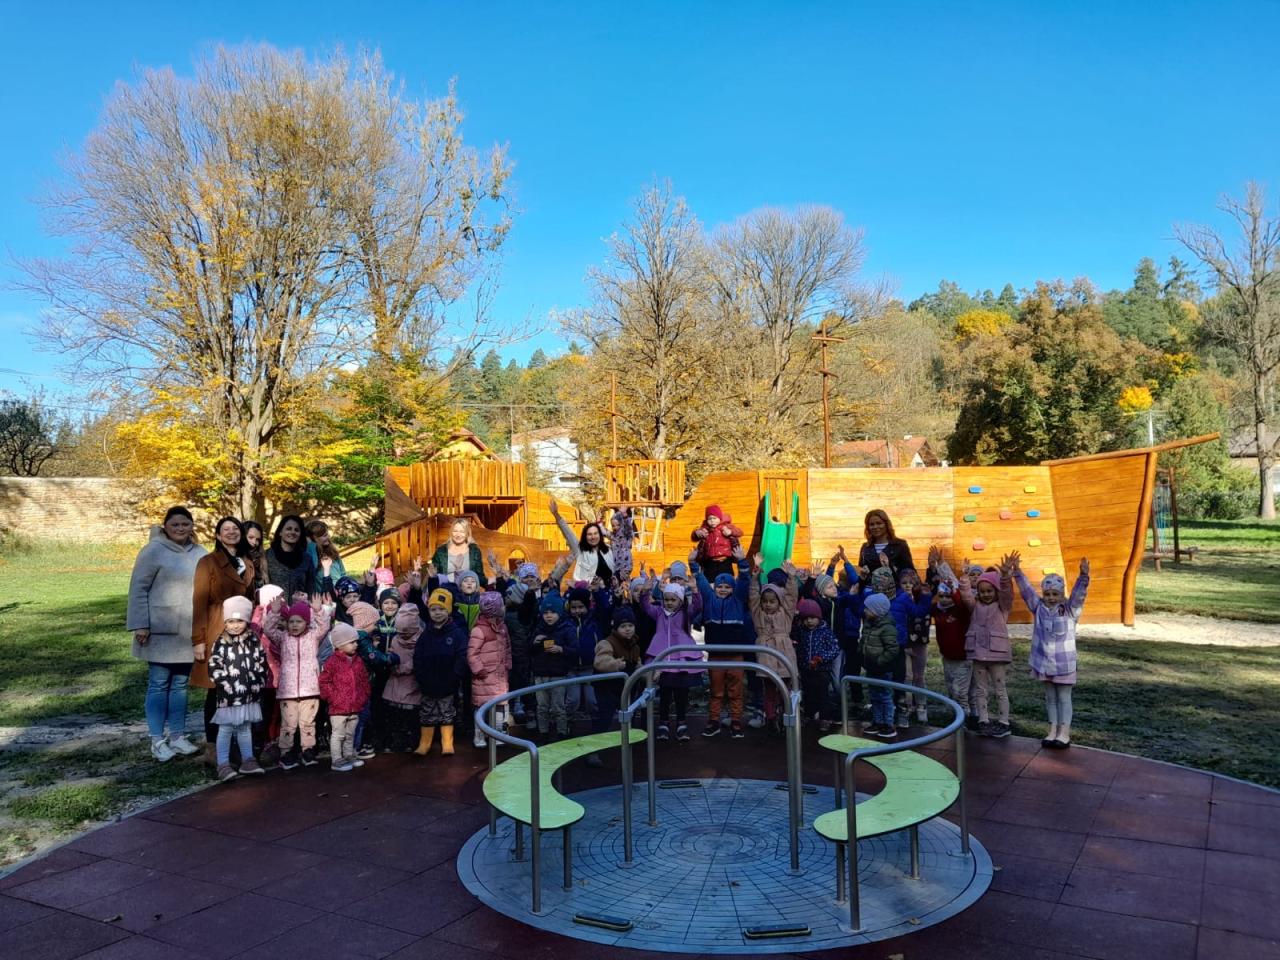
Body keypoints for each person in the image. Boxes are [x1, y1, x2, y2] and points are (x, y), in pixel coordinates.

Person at [126, 506, 207, 763]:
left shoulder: (200, 553)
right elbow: (138, 589)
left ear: (192, 526)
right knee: (159, 683)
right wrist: (140, 624)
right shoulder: (153, 551)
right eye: (175, 525)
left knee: (181, 685)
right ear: (166, 527)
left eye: (185, 524)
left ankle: (178, 736)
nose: (180, 529)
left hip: (188, 631)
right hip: (160, 630)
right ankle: (157, 739)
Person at [191, 516, 256, 756]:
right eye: (225, 529)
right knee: (216, 688)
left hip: (242, 630)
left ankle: (239, 742)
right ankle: (212, 746)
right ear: (218, 535)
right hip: (217, 627)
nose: (231, 532)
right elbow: (199, 602)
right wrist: (198, 639)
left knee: (239, 685)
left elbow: (251, 597)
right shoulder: (208, 562)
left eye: (235, 528)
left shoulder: (246, 562)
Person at [1014, 555, 1090, 749]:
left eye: (1055, 594)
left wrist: (1083, 577)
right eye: (1047, 594)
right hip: (1044, 663)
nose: (1051, 598)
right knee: (1050, 698)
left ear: (1062, 594)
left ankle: (1064, 732)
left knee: (1063, 698)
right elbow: (1026, 591)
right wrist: (1017, 572)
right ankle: (1053, 729)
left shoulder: (1069, 610)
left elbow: (1079, 596)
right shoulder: (1038, 608)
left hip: (1064, 665)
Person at [262, 596, 331, 768]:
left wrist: (318, 611)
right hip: (288, 690)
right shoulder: (283, 638)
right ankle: (286, 753)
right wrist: (275, 612)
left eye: (299, 621)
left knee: (308, 724)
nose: (294, 625)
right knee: (288, 725)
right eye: (291, 621)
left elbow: (324, 626)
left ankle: (308, 750)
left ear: (307, 622)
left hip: (310, 689)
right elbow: (268, 629)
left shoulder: (313, 636)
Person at [207, 596, 268, 780]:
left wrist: (259, 682)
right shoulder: (221, 642)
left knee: (245, 728)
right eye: (231, 621)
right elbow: (214, 666)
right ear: (225, 622)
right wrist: (224, 684)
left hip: (249, 695)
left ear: (247, 621)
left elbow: (261, 662)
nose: (235, 625)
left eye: (239, 621)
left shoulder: (254, 640)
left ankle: (247, 760)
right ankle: (223, 764)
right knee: (226, 729)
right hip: (228, 696)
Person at [692, 547, 751, 738]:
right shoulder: (710, 599)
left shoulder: (738, 600)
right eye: (720, 587)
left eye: (727, 587)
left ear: (733, 589)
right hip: (716, 655)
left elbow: (744, 580)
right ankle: (713, 721)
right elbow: (701, 582)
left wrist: (742, 561)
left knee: (736, 691)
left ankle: (736, 721)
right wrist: (693, 564)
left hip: (735, 655)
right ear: (715, 588)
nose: (723, 589)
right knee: (716, 691)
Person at [959, 554, 1016, 738]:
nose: (986, 594)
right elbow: (966, 595)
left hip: (997, 654)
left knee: (1000, 689)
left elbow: (1007, 593)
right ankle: (983, 720)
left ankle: (1004, 722)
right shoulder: (974, 606)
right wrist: (964, 577)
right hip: (978, 653)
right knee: (980, 690)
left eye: (990, 591)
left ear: (996, 590)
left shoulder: (1002, 606)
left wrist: (1005, 576)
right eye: (982, 591)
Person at [640, 578, 704, 743]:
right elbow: (645, 606)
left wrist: (695, 591)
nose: (669, 603)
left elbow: (698, 607)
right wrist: (645, 592)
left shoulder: (685, 614)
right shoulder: (658, 612)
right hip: (662, 658)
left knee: (681, 693)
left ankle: (681, 722)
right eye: (666, 599)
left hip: (681, 659)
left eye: (673, 600)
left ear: (680, 601)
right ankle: (664, 723)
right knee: (665, 693)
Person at [413, 588, 469, 755]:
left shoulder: (457, 634)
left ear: (449, 610)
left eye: (441, 609)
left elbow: (462, 656)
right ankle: (425, 743)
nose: (437, 613)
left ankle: (447, 742)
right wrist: (421, 676)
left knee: (447, 712)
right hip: (428, 682)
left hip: (448, 681)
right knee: (427, 712)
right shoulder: (425, 634)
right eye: (433, 609)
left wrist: (455, 676)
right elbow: (417, 657)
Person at [748, 558, 799, 734]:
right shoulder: (758, 613)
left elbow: (791, 597)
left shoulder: (786, 613)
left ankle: (785, 718)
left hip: (784, 654)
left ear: (779, 602)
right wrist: (755, 578)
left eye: (772, 601)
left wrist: (791, 578)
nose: (768, 604)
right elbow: (753, 597)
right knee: (769, 690)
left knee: (786, 690)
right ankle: (770, 719)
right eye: (765, 601)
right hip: (767, 656)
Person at [318, 623, 370, 772]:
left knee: (350, 734)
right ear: (340, 645)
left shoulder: (358, 660)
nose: (356, 645)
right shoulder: (332, 662)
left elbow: (364, 680)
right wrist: (333, 698)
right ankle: (336, 759)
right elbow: (324, 682)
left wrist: (363, 696)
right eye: (351, 642)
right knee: (338, 735)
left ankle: (348, 755)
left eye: (356, 642)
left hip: (355, 706)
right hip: (338, 708)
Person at [529, 592, 578, 740]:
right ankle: (543, 732)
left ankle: (562, 732)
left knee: (558, 706)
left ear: (560, 613)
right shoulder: (538, 628)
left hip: (559, 674)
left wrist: (561, 649)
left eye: (553, 612)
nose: (549, 616)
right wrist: (534, 643)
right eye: (546, 613)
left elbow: (576, 650)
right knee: (542, 706)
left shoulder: (567, 628)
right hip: (540, 673)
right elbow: (528, 651)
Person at [468, 592, 512, 748]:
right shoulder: (479, 630)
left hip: (500, 676)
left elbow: (507, 647)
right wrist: (480, 670)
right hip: (484, 677)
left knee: (501, 705)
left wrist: (507, 663)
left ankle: (499, 734)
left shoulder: (503, 627)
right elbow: (472, 654)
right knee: (481, 707)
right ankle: (479, 735)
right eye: (502, 605)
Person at [931, 580, 974, 728]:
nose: (944, 599)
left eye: (948, 596)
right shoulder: (937, 610)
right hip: (947, 657)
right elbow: (922, 604)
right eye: (941, 596)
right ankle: (955, 718)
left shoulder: (961, 611)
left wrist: (954, 591)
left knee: (960, 692)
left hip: (963, 658)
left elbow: (961, 603)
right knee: (951, 689)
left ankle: (965, 720)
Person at [382, 604, 424, 751]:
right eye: (401, 632)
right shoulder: (396, 639)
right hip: (395, 681)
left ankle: (411, 741)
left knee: (411, 716)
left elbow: (418, 660)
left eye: (407, 632)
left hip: (411, 681)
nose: (404, 635)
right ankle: (397, 741)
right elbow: (392, 653)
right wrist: (390, 659)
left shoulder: (421, 640)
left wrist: (403, 668)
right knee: (395, 716)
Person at [795, 598, 841, 728]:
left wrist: (821, 658)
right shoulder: (801, 631)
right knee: (808, 694)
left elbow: (835, 649)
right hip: (806, 669)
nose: (809, 621)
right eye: (806, 618)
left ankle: (824, 718)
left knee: (823, 695)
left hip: (822, 670)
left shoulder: (825, 632)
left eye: (812, 618)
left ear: (818, 617)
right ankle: (809, 715)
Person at [860, 593, 900, 738]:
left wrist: (880, 661)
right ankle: (877, 721)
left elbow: (893, 649)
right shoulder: (868, 624)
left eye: (868, 609)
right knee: (874, 695)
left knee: (884, 696)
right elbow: (863, 641)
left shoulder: (887, 628)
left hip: (882, 668)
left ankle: (888, 724)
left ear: (877, 611)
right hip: (871, 666)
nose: (865, 611)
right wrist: (861, 655)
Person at [550, 497, 614, 585]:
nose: (593, 537)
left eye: (595, 533)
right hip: (589, 591)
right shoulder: (580, 550)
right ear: (585, 537)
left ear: (600, 535)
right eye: (589, 534)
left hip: (609, 590)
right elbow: (568, 534)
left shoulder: (608, 549)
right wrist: (556, 514)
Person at [264, 515, 317, 598]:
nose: (293, 532)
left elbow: (311, 588)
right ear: (280, 532)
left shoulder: (306, 559)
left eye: (296, 530)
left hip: (300, 605)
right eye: (289, 529)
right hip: (273, 605)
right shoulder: (267, 556)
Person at [857, 509, 916, 584]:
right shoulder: (865, 547)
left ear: (886, 524)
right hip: (869, 588)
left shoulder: (900, 545)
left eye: (879, 523)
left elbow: (909, 571)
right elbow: (861, 572)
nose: (875, 527)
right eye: (871, 524)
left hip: (895, 588)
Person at [691, 505, 744, 580]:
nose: (712, 521)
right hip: (709, 562)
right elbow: (694, 537)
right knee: (709, 581)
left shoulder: (726, 526)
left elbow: (740, 532)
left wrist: (730, 532)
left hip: (725, 561)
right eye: (709, 519)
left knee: (726, 580)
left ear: (720, 518)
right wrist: (696, 532)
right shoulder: (705, 529)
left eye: (714, 518)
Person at [432, 517, 485, 583]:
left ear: (467, 533)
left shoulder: (474, 551)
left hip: (468, 588)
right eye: (455, 531)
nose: (458, 535)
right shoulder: (441, 551)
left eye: (462, 532)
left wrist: (495, 579)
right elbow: (434, 577)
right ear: (451, 532)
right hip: (445, 588)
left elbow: (480, 576)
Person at [306, 520, 346, 599]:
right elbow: (314, 567)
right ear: (313, 538)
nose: (327, 537)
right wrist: (312, 544)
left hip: (341, 593)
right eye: (324, 536)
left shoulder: (333, 552)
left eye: (327, 534)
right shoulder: (311, 553)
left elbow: (343, 573)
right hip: (325, 597)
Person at [242, 521, 267, 592]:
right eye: (250, 537)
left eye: (258, 540)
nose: (254, 542)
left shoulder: (261, 560)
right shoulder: (234, 560)